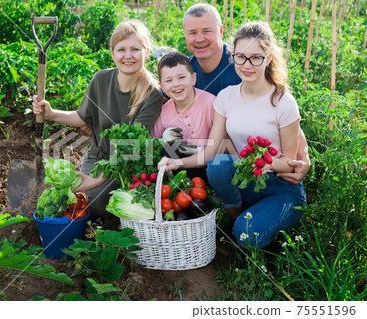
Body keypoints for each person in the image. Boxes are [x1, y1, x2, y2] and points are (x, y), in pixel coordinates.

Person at [159, 22, 306, 249]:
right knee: (219, 164)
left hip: (281, 187)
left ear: (268, 58)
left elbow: (289, 162)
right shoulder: (226, 98)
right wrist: (176, 162)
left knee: (247, 236)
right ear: (233, 56)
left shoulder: (282, 102)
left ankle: (255, 229)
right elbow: (210, 152)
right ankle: (236, 217)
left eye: (256, 57)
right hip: (247, 182)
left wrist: (268, 163)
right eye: (241, 57)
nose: (247, 65)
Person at [33, 20, 163, 225]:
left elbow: (133, 146)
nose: (128, 56)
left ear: (146, 53)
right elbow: (82, 117)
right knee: (77, 199)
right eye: (121, 49)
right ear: (112, 53)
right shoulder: (100, 79)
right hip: (98, 157)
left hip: (130, 163)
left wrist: (98, 180)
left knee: (103, 201)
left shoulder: (152, 93)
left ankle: (110, 220)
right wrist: (51, 113)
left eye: (134, 49)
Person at [182, 3, 310, 183]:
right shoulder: (185, 72)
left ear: (220, 31)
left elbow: (284, 114)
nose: (200, 38)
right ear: (185, 35)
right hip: (214, 156)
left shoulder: (243, 64)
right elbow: (164, 98)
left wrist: (304, 158)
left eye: (206, 31)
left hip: (245, 159)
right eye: (192, 33)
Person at [151, 51, 215, 181]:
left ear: (193, 78)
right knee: (166, 148)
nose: (176, 84)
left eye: (181, 77)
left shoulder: (211, 103)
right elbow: (153, 145)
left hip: (211, 167)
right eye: (168, 80)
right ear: (161, 86)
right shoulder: (163, 113)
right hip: (179, 173)